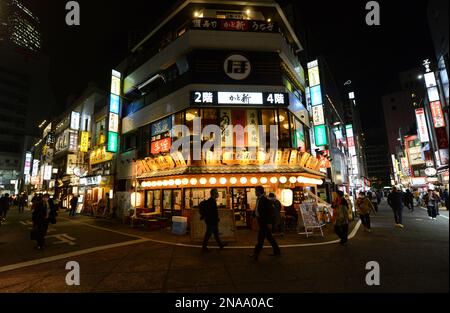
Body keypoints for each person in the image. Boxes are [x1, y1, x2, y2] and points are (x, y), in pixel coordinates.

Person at [249, 186, 281, 260]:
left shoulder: (265, 200)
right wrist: (254, 214)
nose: (255, 192)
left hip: (264, 221)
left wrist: (269, 223)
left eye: (255, 191)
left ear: (259, 191)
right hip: (261, 221)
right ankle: (277, 251)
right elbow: (257, 208)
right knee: (269, 238)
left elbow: (269, 212)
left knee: (260, 239)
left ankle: (256, 254)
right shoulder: (259, 199)